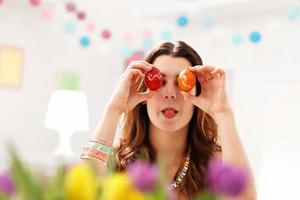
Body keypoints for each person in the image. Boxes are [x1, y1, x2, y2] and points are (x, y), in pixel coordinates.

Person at [81, 41, 256, 200]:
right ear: (144, 93)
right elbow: (82, 192)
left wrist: (224, 114)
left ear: (197, 93)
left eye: (182, 83)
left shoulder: (216, 164)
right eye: (159, 81)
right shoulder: (117, 160)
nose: (170, 93)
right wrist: (114, 108)